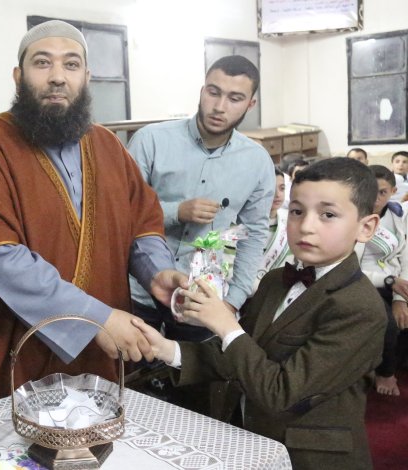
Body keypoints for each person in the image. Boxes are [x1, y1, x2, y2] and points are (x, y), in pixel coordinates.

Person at [0, 20, 186, 402]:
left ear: (86, 77)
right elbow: (2, 260)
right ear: (18, 76)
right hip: (14, 352)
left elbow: (141, 222)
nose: (57, 76)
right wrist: (95, 318)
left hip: (102, 350)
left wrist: (156, 272)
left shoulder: (108, 146)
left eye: (71, 64)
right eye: (42, 63)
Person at [134, 157, 387, 470]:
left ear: (366, 227)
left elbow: (282, 393)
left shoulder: (360, 307)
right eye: (297, 211)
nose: (306, 226)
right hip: (247, 436)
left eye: (328, 215)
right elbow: (236, 355)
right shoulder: (275, 280)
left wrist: (226, 325)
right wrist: (167, 348)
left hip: (307, 455)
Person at [127, 55, 275, 342]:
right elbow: (121, 213)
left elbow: (254, 234)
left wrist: (232, 301)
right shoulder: (151, 140)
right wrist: (176, 211)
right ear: (202, 90)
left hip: (202, 296)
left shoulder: (257, 161)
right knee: (130, 366)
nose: (220, 106)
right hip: (137, 289)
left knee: (194, 369)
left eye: (235, 98)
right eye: (214, 92)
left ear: (250, 104)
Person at [357, 165, 408, 396]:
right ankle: (385, 372)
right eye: (372, 191)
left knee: (402, 312)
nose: (376, 198)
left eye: (383, 192)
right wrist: (389, 281)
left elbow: (405, 257)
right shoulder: (354, 215)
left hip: (395, 281)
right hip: (363, 282)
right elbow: (348, 266)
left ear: (393, 191)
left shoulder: (397, 216)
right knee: (386, 321)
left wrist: (399, 298)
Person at [251, 168, 292, 293]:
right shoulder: (238, 226)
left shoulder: (290, 221)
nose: (277, 194)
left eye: (282, 188)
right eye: (270, 188)